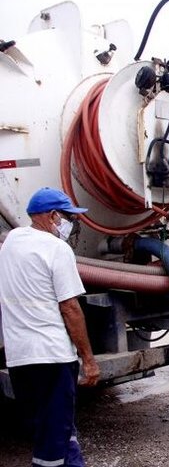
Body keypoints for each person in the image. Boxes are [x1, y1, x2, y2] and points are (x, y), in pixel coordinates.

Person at [0, 187, 100, 467]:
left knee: (53, 428)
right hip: (53, 357)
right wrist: (89, 360)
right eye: (68, 217)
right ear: (53, 216)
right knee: (52, 442)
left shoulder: (11, 242)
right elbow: (70, 308)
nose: (70, 224)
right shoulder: (57, 249)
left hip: (20, 358)